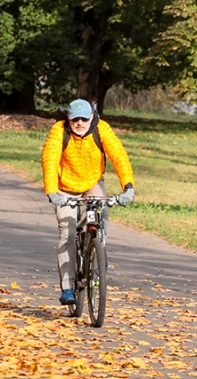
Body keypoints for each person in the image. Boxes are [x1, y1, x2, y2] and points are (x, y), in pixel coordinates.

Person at [40, 99, 136, 305]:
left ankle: (98, 253)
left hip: (92, 183)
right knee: (67, 232)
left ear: (91, 117)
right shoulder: (59, 130)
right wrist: (52, 191)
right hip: (64, 188)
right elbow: (50, 159)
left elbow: (118, 155)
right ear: (69, 118)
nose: (80, 123)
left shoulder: (101, 129)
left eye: (84, 118)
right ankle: (67, 288)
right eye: (76, 119)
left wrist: (128, 185)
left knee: (101, 210)